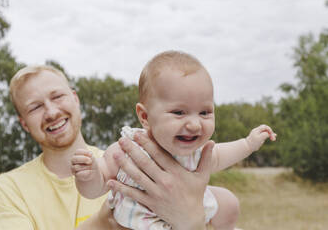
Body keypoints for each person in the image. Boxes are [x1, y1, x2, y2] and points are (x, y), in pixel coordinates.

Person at [0, 65, 214, 230]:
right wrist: (103, 224)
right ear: (24, 123)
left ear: (75, 99)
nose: (51, 112)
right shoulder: (8, 191)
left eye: (58, 97)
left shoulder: (132, 166)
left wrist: (191, 222)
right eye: (35, 107)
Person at [71, 50, 277, 230]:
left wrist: (248, 144)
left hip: (191, 212)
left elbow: (223, 153)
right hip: (137, 224)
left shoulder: (199, 152)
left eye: (205, 112)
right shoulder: (129, 148)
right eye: (179, 112)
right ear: (145, 117)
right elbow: (96, 189)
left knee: (229, 202)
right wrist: (89, 175)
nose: (195, 124)